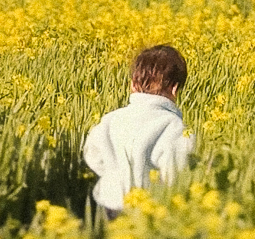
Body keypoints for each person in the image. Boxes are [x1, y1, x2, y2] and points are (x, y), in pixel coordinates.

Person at [83, 45, 194, 218]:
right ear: (174, 89)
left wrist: (114, 176)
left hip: (109, 202)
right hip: (148, 207)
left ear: (133, 85)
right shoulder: (174, 127)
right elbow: (177, 171)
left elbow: (92, 155)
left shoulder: (111, 119)